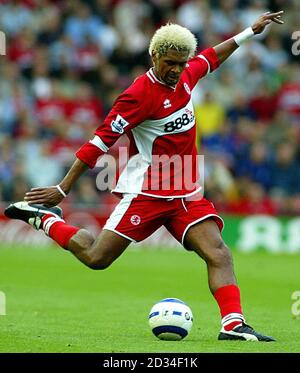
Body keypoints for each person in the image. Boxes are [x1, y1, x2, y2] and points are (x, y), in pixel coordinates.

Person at [5, 10, 284, 341]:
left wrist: (249, 31)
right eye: (170, 63)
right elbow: (98, 142)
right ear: (155, 56)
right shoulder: (138, 95)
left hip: (185, 191)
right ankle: (44, 220)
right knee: (96, 258)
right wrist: (63, 188)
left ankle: (233, 325)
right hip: (147, 191)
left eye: (182, 64)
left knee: (219, 252)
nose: (176, 71)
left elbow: (212, 57)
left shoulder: (186, 74)